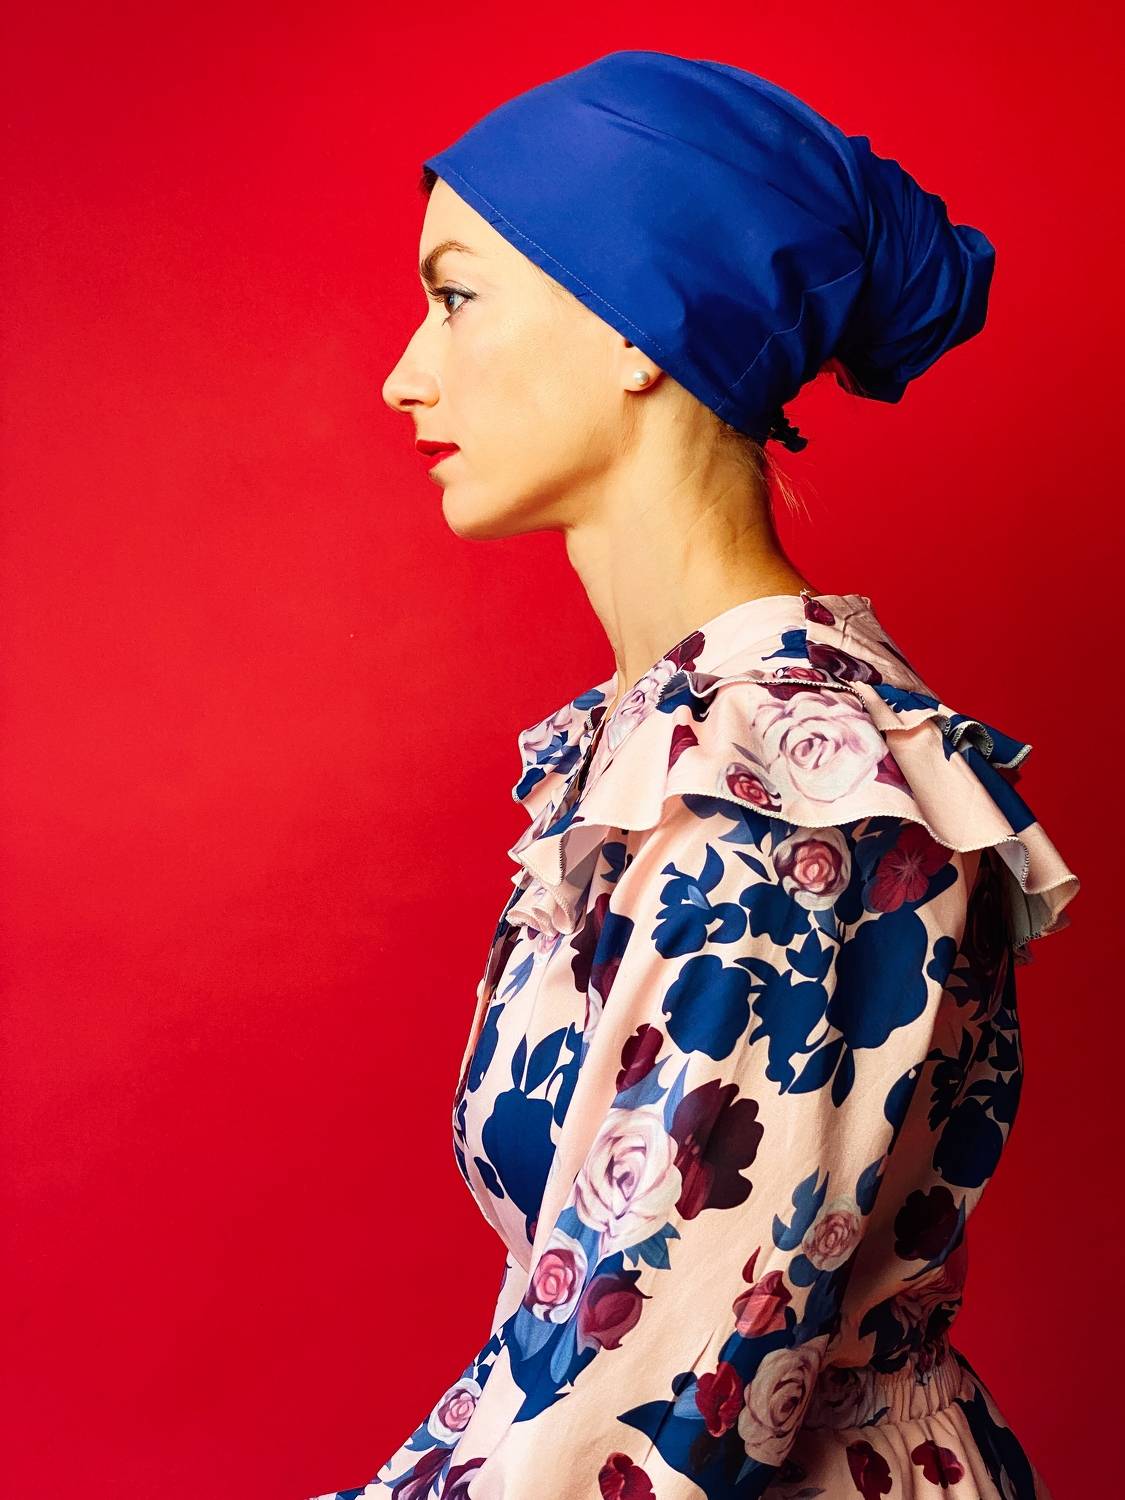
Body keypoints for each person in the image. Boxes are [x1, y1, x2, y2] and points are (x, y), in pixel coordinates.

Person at [310, 50, 1080, 1500]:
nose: (405, 373)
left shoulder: (789, 800)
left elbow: (635, 1427)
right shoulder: (682, 743)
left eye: (455, 295)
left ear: (637, 324)